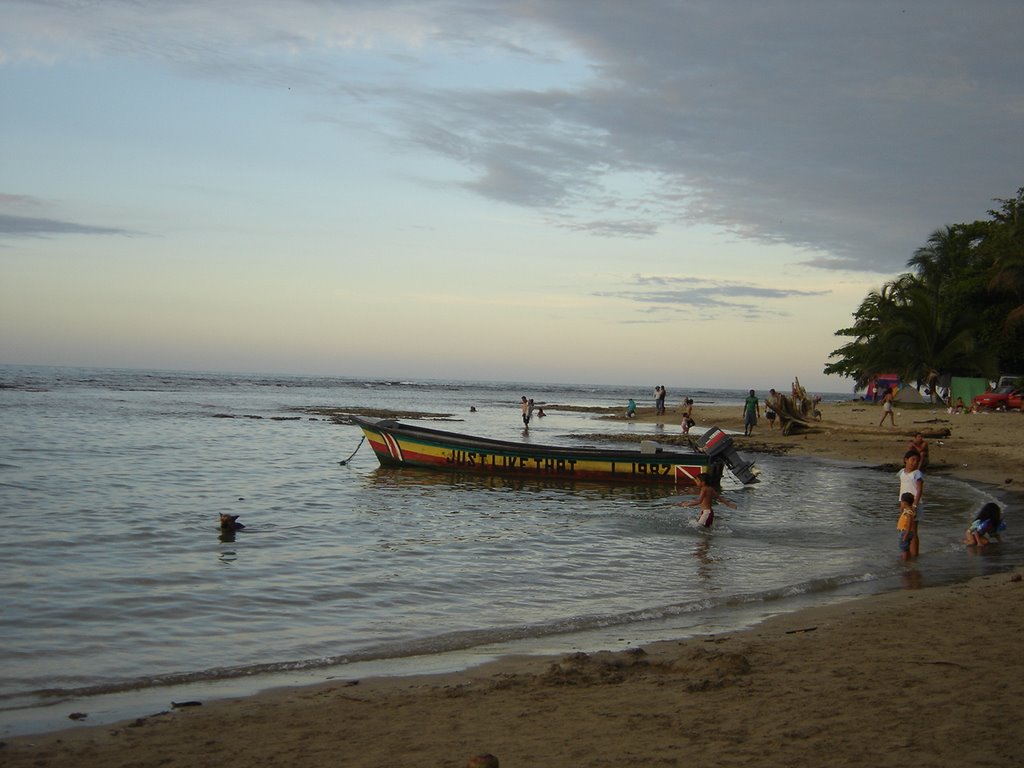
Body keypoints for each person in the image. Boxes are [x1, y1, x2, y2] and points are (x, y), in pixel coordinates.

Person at [897, 449, 924, 558]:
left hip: (914, 504)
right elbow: (902, 488)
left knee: (913, 530)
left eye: (917, 461)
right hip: (905, 503)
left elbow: (919, 490)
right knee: (905, 528)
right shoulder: (901, 472)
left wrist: (915, 505)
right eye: (912, 460)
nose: (915, 463)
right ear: (906, 460)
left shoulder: (917, 473)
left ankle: (914, 554)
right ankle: (907, 552)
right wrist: (901, 504)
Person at [896, 492, 916, 561]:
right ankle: (908, 559)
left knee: (904, 549)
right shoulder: (908, 510)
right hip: (907, 532)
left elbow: (909, 523)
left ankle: (904, 561)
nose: (900, 503)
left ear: (904, 502)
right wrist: (901, 508)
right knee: (906, 547)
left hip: (905, 532)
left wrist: (906, 534)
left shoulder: (908, 512)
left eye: (901, 501)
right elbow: (901, 512)